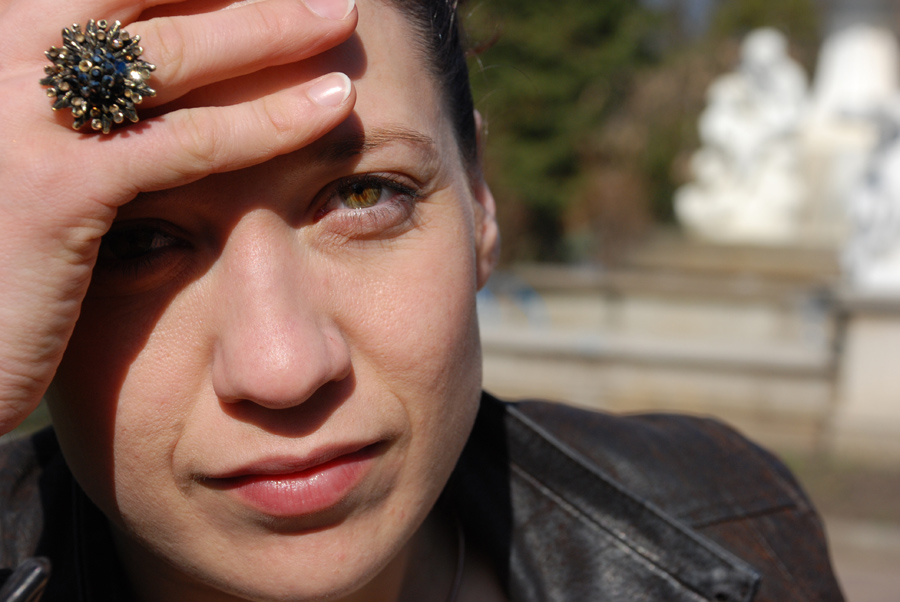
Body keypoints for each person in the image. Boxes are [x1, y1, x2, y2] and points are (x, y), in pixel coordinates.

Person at [0, 0, 844, 600]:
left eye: (364, 194)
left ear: (479, 202)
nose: (283, 369)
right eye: (135, 241)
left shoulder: (737, 518)